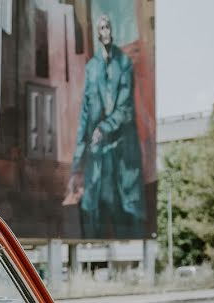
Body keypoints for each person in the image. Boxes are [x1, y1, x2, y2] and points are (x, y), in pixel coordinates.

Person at [68, 14, 144, 239]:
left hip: (121, 151)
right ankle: (90, 258)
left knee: (126, 207)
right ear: (98, 34)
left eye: (108, 27)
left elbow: (125, 107)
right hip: (97, 154)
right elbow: (85, 115)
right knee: (91, 207)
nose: (106, 32)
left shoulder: (124, 63)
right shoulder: (92, 68)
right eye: (101, 28)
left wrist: (104, 128)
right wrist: (76, 166)